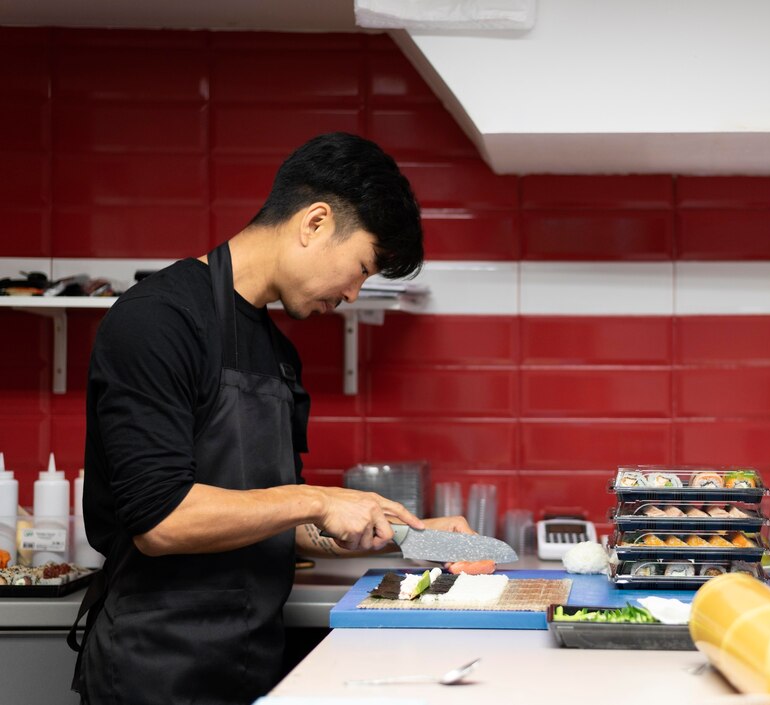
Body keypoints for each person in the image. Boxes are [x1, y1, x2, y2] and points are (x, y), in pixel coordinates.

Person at [69, 132, 470, 704]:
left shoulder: (277, 351)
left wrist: (406, 535)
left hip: (249, 662)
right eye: (361, 267)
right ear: (315, 223)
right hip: (154, 670)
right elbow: (160, 521)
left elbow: (273, 514)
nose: (355, 293)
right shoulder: (159, 320)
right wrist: (319, 498)